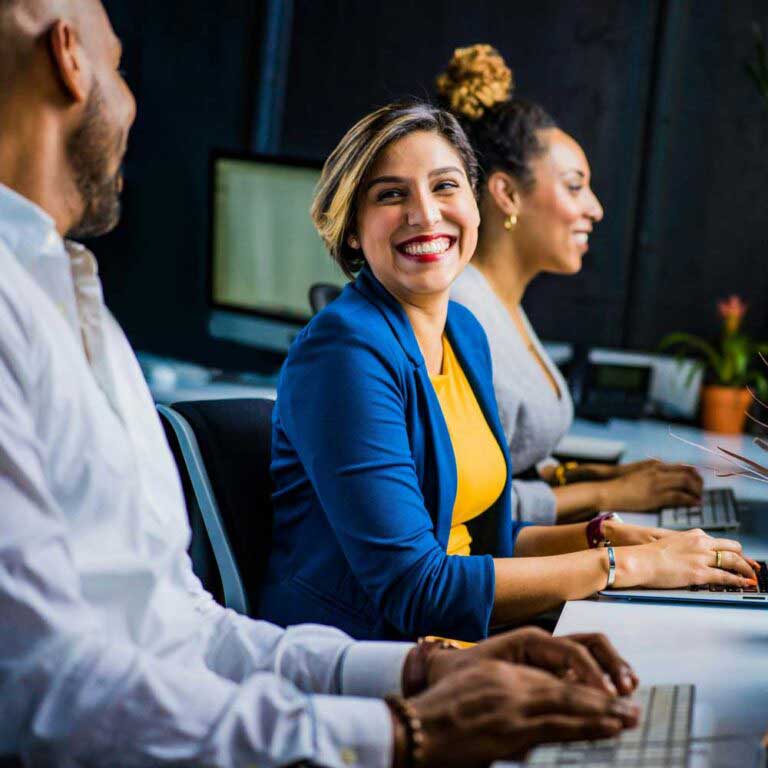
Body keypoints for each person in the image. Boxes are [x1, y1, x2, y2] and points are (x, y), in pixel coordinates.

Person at [0, 1, 644, 765]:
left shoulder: (73, 300)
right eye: (120, 67)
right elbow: (41, 692)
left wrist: (427, 671)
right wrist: (407, 729)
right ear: (70, 58)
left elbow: (184, 629)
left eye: (445, 186)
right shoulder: (22, 309)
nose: (132, 103)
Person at [261, 98, 758, 644]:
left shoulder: (465, 333)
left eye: (445, 186)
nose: (425, 214)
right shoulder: (344, 352)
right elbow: (416, 587)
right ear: (352, 229)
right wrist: (624, 566)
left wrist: (604, 537)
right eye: (391, 194)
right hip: (367, 660)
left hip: (458, 642)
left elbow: (483, 542)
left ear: (475, 204)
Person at [440, 44, 704, 525]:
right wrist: (609, 495)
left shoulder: (502, 305)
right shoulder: (462, 314)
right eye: (574, 186)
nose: (595, 209)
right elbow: (470, 507)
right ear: (507, 193)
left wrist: (596, 477)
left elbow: (512, 463)